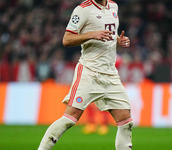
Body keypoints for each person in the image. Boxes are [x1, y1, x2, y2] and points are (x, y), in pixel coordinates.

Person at [38, 0, 133, 150]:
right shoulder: (82, 10)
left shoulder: (114, 6)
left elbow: (109, 36)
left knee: (126, 122)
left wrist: (118, 41)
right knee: (69, 119)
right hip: (89, 72)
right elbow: (66, 39)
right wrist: (91, 34)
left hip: (110, 74)